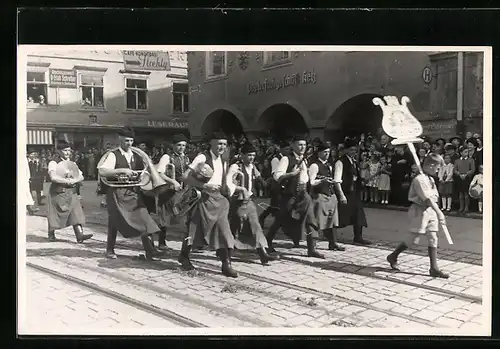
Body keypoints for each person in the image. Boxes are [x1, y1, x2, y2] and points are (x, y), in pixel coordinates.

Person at [97, 126, 165, 260]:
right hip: (117, 192)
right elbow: (103, 171)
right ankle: (110, 249)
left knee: (144, 218)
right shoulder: (113, 154)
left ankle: (150, 251)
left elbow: (143, 173)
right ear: (119, 139)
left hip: (133, 191)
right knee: (115, 220)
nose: (129, 144)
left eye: (131, 141)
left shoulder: (136, 155)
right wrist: (121, 171)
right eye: (126, 140)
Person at [179, 132, 238, 278]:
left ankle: (226, 264)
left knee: (224, 230)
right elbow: (185, 177)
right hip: (203, 197)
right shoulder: (202, 157)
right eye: (219, 143)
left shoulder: (224, 159)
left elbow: (222, 180)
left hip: (219, 199)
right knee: (195, 229)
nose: (222, 147)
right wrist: (204, 186)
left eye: (224, 144)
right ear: (211, 143)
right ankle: (184, 256)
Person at [386, 153, 449, 279]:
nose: (438, 170)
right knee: (413, 239)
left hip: (430, 211)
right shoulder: (419, 180)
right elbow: (427, 199)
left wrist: (435, 209)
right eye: (437, 167)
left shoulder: (430, 179)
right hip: (419, 211)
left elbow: (435, 196)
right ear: (431, 165)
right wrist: (440, 212)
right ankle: (393, 255)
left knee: (433, 237)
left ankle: (434, 268)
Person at [265, 133, 324, 258]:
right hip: (289, 194)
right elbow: (277, 176)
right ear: (293, 145)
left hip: (304, 194)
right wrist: (291, 174)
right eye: (299, 145)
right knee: (281, 219)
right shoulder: (286, 159)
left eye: (304, 145)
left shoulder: (305, 160)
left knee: (310, 220)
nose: (302, 147)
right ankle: (267, 242)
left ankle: (311, 249)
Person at [226, 142, 279, 265]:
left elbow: (260, 180)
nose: (251, 158)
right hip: (237, 202)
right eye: (249, 155)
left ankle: (263, 254)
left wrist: (269, 184)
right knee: (236, 227)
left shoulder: (252, 167)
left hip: (249, 201)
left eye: (253, 155)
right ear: (242, 155)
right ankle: (225, 252)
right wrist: (240, 189)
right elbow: (228, 183)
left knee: (256, 226)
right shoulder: (235, 167)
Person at [46, 140, 92, 243]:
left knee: (76, 211)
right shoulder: (53, 162)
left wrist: (75, 180)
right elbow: (53, 177)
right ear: (58, 151)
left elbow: (81, 176)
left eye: (69, 150)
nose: (68, 153)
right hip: (58, 191)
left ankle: (80, 235)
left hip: (71, 191)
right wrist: (66, 181)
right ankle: (51, 234)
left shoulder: (72, 163)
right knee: (54, 213)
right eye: (65, 150)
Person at [156, 134, 191, 251]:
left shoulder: (186, 158)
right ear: (173, 145)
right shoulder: (167, 157)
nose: (181, 148)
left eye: (183, 145)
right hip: (168, 190)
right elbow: (159, 172)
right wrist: (172, 181)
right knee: (165, 217)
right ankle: (161, 242)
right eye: (179, 145)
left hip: (183, 190)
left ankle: (189, 243)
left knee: (185, 215)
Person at [333, 138, 371, 245]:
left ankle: (358, 237)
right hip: (345, 192)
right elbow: (337, 180)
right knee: (340, 215)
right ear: (345, 150)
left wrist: (361, 181)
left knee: (358, 214)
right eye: (351, 150)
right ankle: (331, 236)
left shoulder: (354, 161)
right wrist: (341, 195)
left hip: (354, 192)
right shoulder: (340, 162)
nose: (353, 152)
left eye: (355, 150)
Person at [308, 142, 345, 251]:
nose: (327, 154)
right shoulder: (314, 165)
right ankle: (312, 245)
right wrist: (322, 180)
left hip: (330, 194)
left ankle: (333, 243)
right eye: (324, 152)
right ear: (319, 153)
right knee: (317, 220)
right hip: (319, 195)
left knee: (332, 220)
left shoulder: (329, 165)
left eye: (328, 152)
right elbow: (311, 182)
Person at [258, 143, 285, 228]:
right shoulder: (275, 159)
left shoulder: (278, 158)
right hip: (276, 183)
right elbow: (275, 173)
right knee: (275, 204)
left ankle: (264, 218)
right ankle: (263, 218)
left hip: (277, 183)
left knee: (275, 204)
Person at [453, 146, 476, 214]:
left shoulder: (470, 160)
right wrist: (459, 174)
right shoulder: (457, 161)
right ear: (461, 153)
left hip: (467, 178)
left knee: (466, 194)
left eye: (467, 152)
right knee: (460, 194)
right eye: (465, 152)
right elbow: (455, 170)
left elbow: (472, 169)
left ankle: (466, 207)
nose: (467, 153)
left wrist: (466, 174)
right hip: (459, 178)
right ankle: (461, 207)